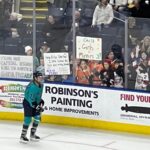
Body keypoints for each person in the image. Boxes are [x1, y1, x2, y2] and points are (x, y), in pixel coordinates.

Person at [20, 71, 44, 143]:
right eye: (39, 77)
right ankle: (23, 136)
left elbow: (37, 95)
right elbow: (31, 100)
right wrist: (37, 106)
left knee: (37, 118)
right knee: (28, 119)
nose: (41, 78)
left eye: (41, 77)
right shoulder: (32, 87)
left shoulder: (41, 85)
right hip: (28, 103)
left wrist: (40, 101)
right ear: (35, 78)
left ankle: (32, 135)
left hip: (35, 102)